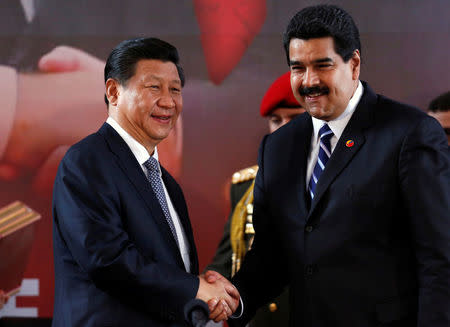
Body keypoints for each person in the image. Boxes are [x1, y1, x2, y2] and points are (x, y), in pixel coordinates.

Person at [217, 5, 450, 326]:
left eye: (322, 65)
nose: (309, 81)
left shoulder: (410, 132)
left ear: (353, 64)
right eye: (297, 68)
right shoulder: (277, 146)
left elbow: (439, 260)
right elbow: (272, 256)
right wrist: (231, 301)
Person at [52, 37, 239, 326]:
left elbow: (164, 277)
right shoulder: (87, 161)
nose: (168, 101)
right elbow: (107, 261)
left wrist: (203, 290)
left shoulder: (166, 183)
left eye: (175, 90)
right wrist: (196, 288)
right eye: (154, 87)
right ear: (114, 92)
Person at [206, 71, 304, 327]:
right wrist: (208, 290)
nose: (282, 128)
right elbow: (228, 260)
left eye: (294, 118)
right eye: (275, 120)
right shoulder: (246, 186)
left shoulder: (346, 176)